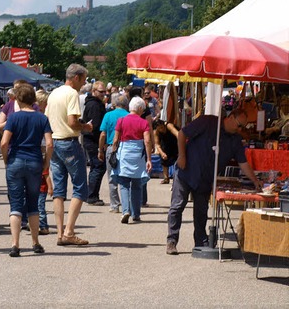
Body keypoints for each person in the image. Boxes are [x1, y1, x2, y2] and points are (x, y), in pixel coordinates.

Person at [166, 109, 261, 255]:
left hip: (205, 178)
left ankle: (200, 241)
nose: (240, 129)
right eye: (239, 125)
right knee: (177, 206)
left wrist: (255, 180)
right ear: (230, 117)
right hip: (186, 172)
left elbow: (243, 163)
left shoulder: (235, 140)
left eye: (243, 127)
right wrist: (182, 156)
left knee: (201, 212)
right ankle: (172, 240)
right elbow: (182, 133)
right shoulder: (207, 122)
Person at [0, 84, 53, 257]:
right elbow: (49, 143)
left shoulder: (13, 118)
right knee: (33, 202)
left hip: (16, 160)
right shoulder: (41, 118)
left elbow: (3, 142)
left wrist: (7, 159)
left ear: (18, 99)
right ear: (34, 99)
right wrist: (46, 163)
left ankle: (15, 244)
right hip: (34, 161)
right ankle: (35, 242)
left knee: (15, 203)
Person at [45, 63, 93, 246]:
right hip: (68, 142)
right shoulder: (72, 94)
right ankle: (69, 231)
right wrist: (85, 127)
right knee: (81, 187)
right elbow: (73, 122)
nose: (83, 83)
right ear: (76, 78)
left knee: (58, 190)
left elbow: (47, 118)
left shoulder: (54, 93)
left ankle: (59, 232)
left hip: (55, 141)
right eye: (83, 79)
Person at [110, 96, 152, 224]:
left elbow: (116, 139)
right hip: (138, 154)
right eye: (143, 110)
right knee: (136, 185)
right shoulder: (143, 122)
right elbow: (147, 140)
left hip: (124, 153)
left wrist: (113, 152)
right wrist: (149, 158)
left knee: (123, 184)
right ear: (139, 109)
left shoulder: (121, 120)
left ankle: (125, 210)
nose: (143, 112)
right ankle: (136, 213)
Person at [98, 94, 129, 213]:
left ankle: (114, 205)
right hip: (126, 147)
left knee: (112, 177)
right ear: (126, 104)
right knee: (126, 176)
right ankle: (127, 204)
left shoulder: (108, 115)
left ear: (114, 104)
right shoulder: (129, 116)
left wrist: (100, 149)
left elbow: (103, 134)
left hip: (112, 148)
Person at [82, 80, 108, 206]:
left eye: (104, 91)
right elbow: (96, 125)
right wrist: (101, 145)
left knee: (96, 167)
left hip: (91, 139)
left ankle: (92, 194)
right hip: (93, 139)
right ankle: (92, 195)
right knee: (98, 167)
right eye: (101, 92)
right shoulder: (94, 105)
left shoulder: (96, 103)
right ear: (93, 91)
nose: (104, 94)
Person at [35, 89, 52, 235]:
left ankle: (33, 223)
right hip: (38, 154)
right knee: (40, 203)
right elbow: (47, 143)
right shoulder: (41, 118)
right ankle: (41, 224)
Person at [153, 120, 179, 184]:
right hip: (165, 143)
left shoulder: (169, 126)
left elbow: (178, 135)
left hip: (175, 142)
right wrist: (162, 153)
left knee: (176, 160)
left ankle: (177, 178)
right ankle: (166, 178)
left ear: (164, 125)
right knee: (164, 160)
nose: (161, 130)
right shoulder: (156, 132)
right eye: (159, 129)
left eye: (162, 128)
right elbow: (157, 144)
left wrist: (181, 148)